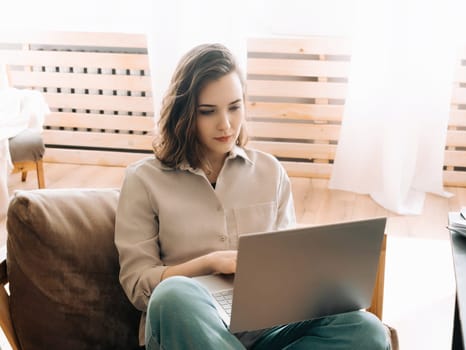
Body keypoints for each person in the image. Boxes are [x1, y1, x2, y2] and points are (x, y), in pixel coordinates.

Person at [115, 43, 390, 350]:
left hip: (266, 332)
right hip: (190, 329)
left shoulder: (270, 172)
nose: (226, 124)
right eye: (208, 112)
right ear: (183, 113)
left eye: (234, 107)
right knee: (173, 295)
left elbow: (288, 270)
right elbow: (138, 285)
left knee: (365, 328)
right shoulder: (143, 180)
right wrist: (210, 263)